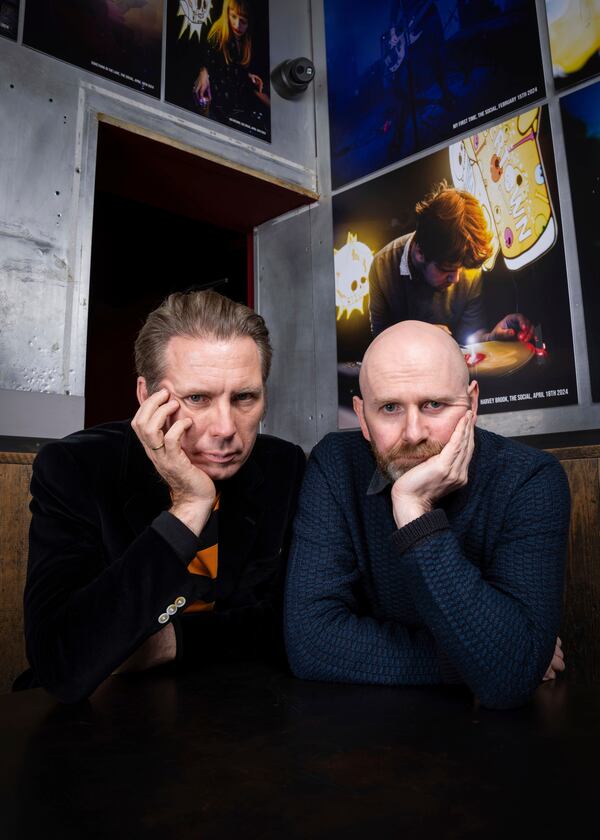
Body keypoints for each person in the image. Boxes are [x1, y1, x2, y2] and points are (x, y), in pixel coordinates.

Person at [19, 291, 305, 703]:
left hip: (239, 710)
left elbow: (296, 625)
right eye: (196, 399)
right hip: (98, 720)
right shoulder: (75, 468)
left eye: (244, 397)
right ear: (145, 396)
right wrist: (189, 506)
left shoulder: (284, 466)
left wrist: (161, 643)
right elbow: (63, 663)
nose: (225, 428)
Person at [285, 320, 569, 709]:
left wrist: (415, 513)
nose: (414, 432)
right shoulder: (334, 465)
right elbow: (311, 642)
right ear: (362, 416)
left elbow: (510, 681)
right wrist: (484, 660)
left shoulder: (531, 480)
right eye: (389, 408)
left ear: (472, 401)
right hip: (364, 735)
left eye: (434, 404)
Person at [368, 182, 534, 346]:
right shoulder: (382, 267)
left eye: (460, 268)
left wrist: (492, 338)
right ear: (420, 253)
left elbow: (469, 340)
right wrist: (419, 337)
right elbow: (379, 345)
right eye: (446, 269)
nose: (455, 278)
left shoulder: (467, 267)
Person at [192, 0, 269, 125]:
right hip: (214, 107)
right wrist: (204, 70)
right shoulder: (218, 34)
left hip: (230, 109)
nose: (237, 24)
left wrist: (247, 76)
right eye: (233, 16)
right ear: (226, 13)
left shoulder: (244, 42)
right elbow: (206, 58)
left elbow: (233, 69)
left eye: (243, 21)